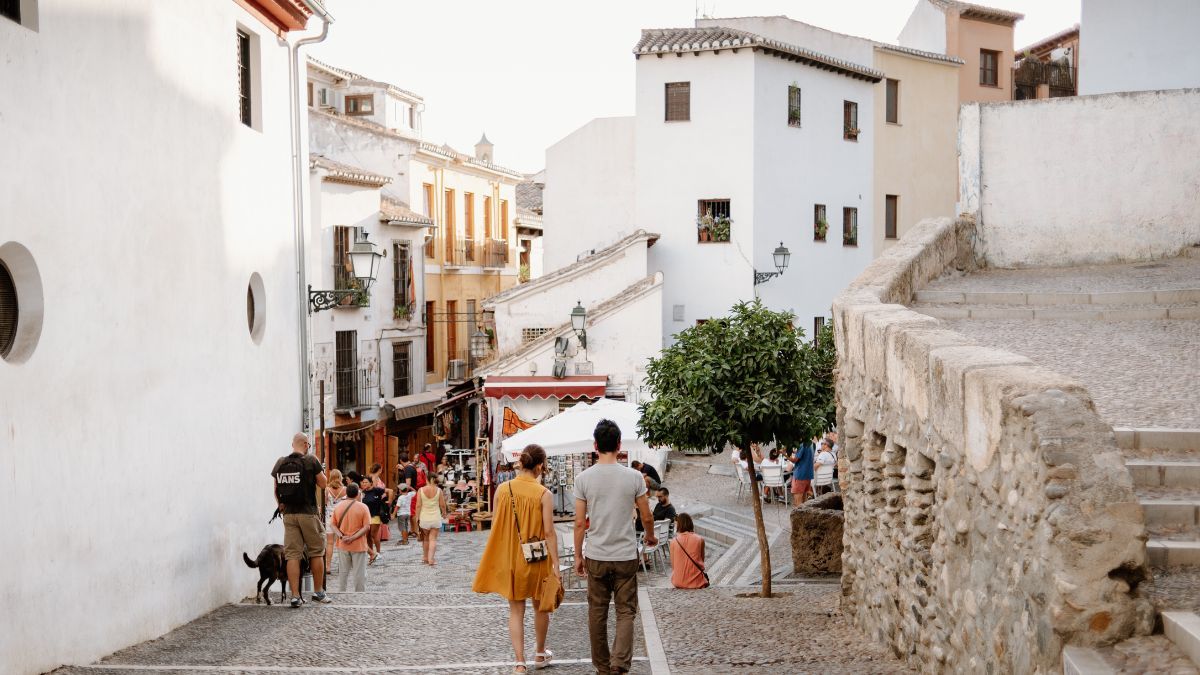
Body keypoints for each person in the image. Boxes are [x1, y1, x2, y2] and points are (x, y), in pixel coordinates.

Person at [574, 419, 656, 675]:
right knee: (625, 611)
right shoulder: (634, 477)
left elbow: (578, 523)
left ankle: (602, 667)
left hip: (596, 554)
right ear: (619, 445)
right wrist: (651, 537)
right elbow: (647, 515)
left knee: (597, 611)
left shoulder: (583, 478)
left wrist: (578, 555)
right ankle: (619, 664)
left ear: (595, 445)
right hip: (624, 555)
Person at [473, 444, 560, 674]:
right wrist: (557, 564)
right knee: (541, 607)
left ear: (522, 462)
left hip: (513, 558)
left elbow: (497, 526)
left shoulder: (502, 490)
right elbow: (549, 532)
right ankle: (540, 654)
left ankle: (520, 663)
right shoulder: (544, 494)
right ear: (540, 466)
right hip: (538, 559)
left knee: (516, 610)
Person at [271, 432, 332, 607]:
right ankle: (319, 592)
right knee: (316, 551)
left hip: (289, 515)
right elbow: (323, 483)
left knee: (292, 555)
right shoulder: (311, 460)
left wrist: (281, 504)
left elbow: (276, 489)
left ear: (293, 444)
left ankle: (295, 596)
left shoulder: (281, 462)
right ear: (306, 444)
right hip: (308, 512)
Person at [331, 483, 371, 592]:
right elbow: (366, 527)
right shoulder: (363, 507)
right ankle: (359, 595)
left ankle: (342, 593)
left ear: (346, 493)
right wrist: (352, 538)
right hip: (358, 545)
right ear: (358, 493)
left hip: (343, 544)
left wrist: (341, 536)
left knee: (343, 572)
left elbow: (333, 525)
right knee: (360, 574)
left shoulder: (338, 506)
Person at [669, 513, 707, 589]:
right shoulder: (700, 540)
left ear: (679, 525)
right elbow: (701, 561)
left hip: (678, 581)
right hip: (697, 582)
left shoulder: (673, 541)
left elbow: (673, 565)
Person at [416, 475, 448, 565]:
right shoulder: (439, 490)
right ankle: (431, 559)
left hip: (424, 518)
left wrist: (417, 517)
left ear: (427, 479)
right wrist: (444, 513)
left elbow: (418, 505)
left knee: (425, 539)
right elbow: (442, 504)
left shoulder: (421, 490)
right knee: (433, 539)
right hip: (435, 518)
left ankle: (425, 557)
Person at [323, 469, 346, 574]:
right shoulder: (345, 489)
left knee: (330, 543)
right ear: (340, 477)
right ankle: (342, 566)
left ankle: (328, 567)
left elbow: (325, 504)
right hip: (342, 517)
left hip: (330, 517)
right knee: (341, 542)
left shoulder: (327, 490)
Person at [360, 477, 387, 564]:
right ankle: (371, 552)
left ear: (371, 483)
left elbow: (389, 491)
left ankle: (378, 552)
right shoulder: (362, 493)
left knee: (373, 534)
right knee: (367, 536)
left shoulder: (377, 490)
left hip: (375, 515)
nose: (364, 484)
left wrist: (387, 501)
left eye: (366, 482)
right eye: (363, 482)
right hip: (366, 517)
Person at [790, 441, 815, 506]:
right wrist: (792, 451)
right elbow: (803, 454)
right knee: (804, 502)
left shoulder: (802, 445)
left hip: (800, 475)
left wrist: (784, 454)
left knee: (798, 503)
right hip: (807, 475)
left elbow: (794, 460)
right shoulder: (810, 443)